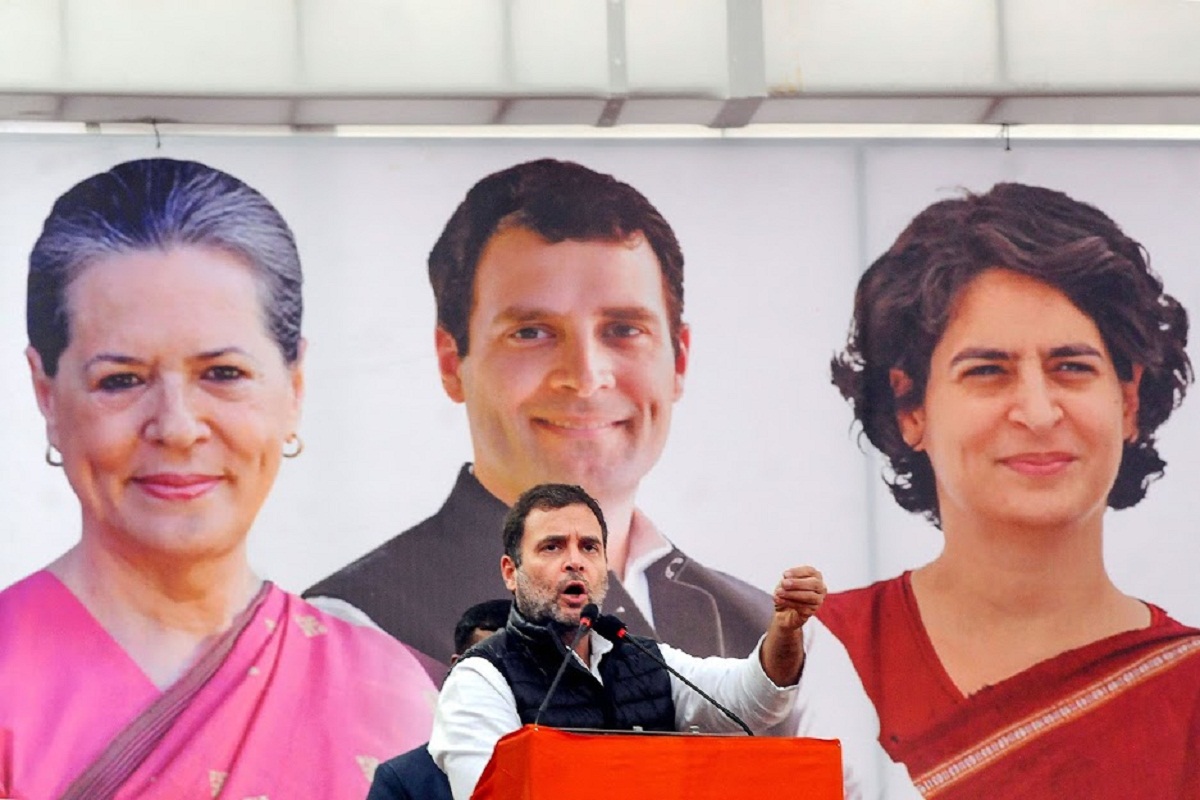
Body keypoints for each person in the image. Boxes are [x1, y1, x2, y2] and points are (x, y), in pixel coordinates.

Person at [0, 158, 435, 799]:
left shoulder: (386, 693)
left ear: (294, 386)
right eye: (121, 380)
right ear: (47, 395)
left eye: (223, 374)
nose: (177, 427)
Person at [305, 158, 772, 678]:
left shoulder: (763, 631)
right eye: (531, 332)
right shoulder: (354, 633)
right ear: (451, 362)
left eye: (623, 329)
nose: (585, 377)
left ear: (679, 361)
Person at [821, 183, 1200, 797]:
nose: (1038, 412)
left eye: (1071, 367)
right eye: (988, 371)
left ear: (1129, 400)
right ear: (910, 407)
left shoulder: (1188, 695)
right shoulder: (813, 655)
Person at [428, 482, 827, 800]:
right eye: (552, 546)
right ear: (510, 573)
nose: (575, 561)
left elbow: (755, 699)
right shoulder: (480, 679)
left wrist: (786, 630)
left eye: (589, 547)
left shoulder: (641, 658)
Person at [367, 599, 511, 800]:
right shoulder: (402, 780)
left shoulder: (552, 756)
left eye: (517, 667)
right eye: (488, 668)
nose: (500, 680)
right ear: (457, 667)